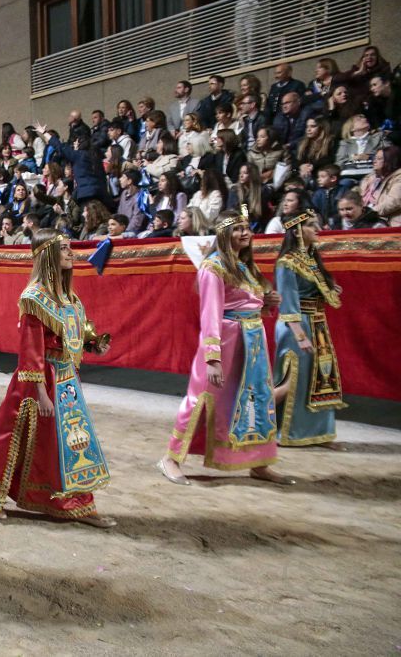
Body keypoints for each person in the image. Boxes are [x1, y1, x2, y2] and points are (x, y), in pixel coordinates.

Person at [0, 229, 115, 526]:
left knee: (71, 444)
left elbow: (74, 335)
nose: (71, 253)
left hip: (67, 381)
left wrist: (92, 344)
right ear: (48, 255)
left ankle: (79, 503)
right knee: (14, 439)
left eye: (70, 248)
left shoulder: (70, 297)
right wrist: (40, 392)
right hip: (38, 381)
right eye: (63, 248)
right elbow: (30, 350)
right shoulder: (33, 298)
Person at [158, 207, 292, 486]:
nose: (245, 233)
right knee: (202, 399)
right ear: (224, 232)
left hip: (253, 341)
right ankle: (170, 458)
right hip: (226, 341)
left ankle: (259, 461)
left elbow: (242, 303)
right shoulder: (213, 267)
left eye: (247, 228)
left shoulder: (243, 265)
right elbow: (211, 313)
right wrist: (212, 358)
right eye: (238, 228)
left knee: (256, 400)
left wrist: (264, 305)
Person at [273, 210, 346, 448]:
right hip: (297, 325)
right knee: (292, 379)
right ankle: (250, 422)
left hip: (316, 322)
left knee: (320, 379)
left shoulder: (311, 258)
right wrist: (300, 336)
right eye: (312, 225)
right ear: (297, 231)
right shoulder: (287, 263)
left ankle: (315, 433)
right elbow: (288, 302)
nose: (318, 229)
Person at [358, 146, 401, 226]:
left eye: (379, 159)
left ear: (390, 161)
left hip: (390, 223)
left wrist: (371, 212)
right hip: (368, 219)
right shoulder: (370, 178)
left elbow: (394, 201)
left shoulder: (399, 177)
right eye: (375, 158)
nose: (374, 161)